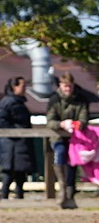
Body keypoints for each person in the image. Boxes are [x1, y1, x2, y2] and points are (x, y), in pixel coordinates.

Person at [46, 71, 90, 209]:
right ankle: (62, 187)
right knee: (60, 153)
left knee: (73, 163)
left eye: (70, 86)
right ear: (60, 85)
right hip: (58, 136)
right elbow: (50, 120)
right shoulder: (54, 99)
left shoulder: (80, 99)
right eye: (65, 86)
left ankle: (70, 193)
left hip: (76, 138)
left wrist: (77, 124)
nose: (68, 89)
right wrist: (61, 124)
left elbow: (83, 119)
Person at [0, 76, 35, 200]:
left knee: (20, 172)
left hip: (19, 142)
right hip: (13, 143)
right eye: (22, 86)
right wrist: (16, 131)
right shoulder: (8, 102)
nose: (24, 89)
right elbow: (0, 121)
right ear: (14, 87)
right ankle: (4, 195)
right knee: (9, 172)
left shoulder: (17, 102)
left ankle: (18, 196)